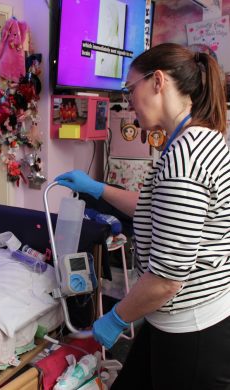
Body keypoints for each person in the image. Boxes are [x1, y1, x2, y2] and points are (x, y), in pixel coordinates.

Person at [56, 43, 230, 390]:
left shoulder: (185, 157)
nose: (128, 99)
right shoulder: (204, 139)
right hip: (184, 316)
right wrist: (97, 189)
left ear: (158, 81)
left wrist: (116, 317)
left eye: (130, 88)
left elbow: (167, 278)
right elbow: (161, 211)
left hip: (191, 331)